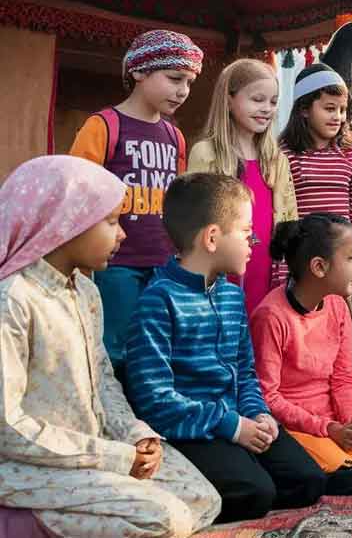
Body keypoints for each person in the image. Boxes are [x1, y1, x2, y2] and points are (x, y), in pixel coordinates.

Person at [0, 156, 220, 537]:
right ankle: (18, 524)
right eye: (111, 221)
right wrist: (116, 457)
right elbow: (7, 427)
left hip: (94, 455)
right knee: (169, 519)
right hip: (30, 467)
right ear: (66, 223)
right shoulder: (15, 299)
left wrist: (135, 435)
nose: (122, 235)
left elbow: (103, 382)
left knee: (203, 499)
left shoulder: (85, 290)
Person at [126, 173, 326, 523]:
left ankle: (243, 471)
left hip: (237, 419)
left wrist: (258, 414)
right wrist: (232, 427)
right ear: (213, 238)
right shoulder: (158, 301)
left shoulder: (232, 296)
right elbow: (155, 400)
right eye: (247, 233)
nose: (256, 241)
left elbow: (246, 373)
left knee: (308, 481)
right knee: (257, 493)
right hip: (190, 428)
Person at [251, 214, 352, 501]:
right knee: (331, 469)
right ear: (319, 267)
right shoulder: (271, 316)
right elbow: (269, 397)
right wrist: (328, 429)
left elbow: (343, 377)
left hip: (334, 411)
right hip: (298, 421)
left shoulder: (337, 306)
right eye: (351, 258)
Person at [69, 29, 202, 371]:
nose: (183, 91)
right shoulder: (104, 126)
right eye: (174, 78)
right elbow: (75, 192)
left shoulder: (175, 136)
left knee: (157, 348)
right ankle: (111, 418)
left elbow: (178, 201)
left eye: (188, 82)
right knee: (114, 350)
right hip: (115, 264)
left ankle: (148, 418)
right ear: (140, 72)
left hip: (163, 263)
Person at [188, 58, 297, 314]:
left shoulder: (276, 159)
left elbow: (290, 218)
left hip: (267, 275)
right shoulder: (206, 153)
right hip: (219, 275)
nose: (267, 109)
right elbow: (193, 221)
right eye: (257, 100)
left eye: (272, 101)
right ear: (228, 99)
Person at [278, 63, 352, 312]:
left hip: (341, 266)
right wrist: (284, 270)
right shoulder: (285, 154)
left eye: (342, 110)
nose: (338, 117)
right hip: (303, 266)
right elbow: (285, 216)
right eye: (329, 109)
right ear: (304, 109)